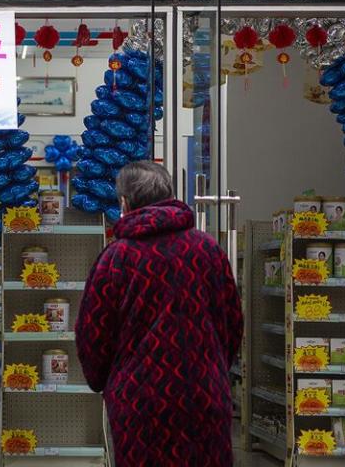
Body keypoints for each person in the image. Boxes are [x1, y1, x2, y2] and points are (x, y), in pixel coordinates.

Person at [74, 161, 243, 467]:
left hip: (140, 403)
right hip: (205, 396)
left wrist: (105, 381)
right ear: (169, 195)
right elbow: (232, 322)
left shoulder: (116, 257)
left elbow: (92, 334)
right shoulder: (208, 250)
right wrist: (214, 368)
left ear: (124, 203)